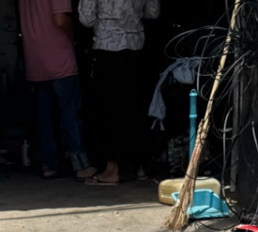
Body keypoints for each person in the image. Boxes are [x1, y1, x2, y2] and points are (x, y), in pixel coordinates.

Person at [78, 0, 159, 185]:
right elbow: (153, 12)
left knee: (109, 111)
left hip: (107, 48)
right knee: (134, 109)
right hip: (135, 48)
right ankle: (139, 166)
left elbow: (86, 18)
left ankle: (112, 169)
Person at [18, 0, 96, 180]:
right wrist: (76, 28)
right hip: (59, 58)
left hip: (35, 59)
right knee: (71, 114)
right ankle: (81, 164)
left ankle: (50, 165)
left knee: (45, 118)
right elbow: (61, 20)